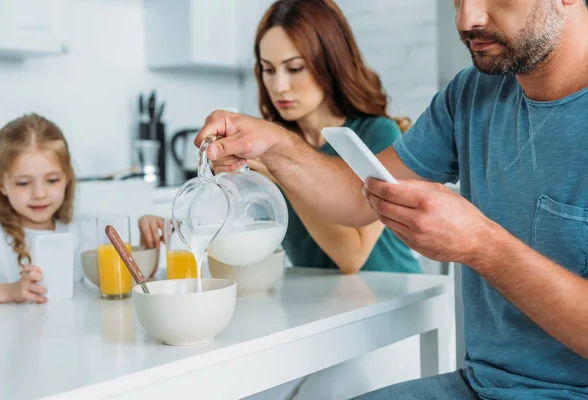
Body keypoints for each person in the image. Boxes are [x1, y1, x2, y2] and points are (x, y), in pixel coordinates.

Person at [195, 0, 588, 398]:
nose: (466, 19)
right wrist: (274, 144)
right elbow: (359, 196)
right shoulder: (471, 94)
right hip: (483, 387)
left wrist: (482, 245)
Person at [140, 0, 420, 276]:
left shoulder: (377, 134)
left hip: (391, 295)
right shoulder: (268, 140)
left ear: (331, 62)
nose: (279, 86)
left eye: (295, 68)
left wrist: (280, 166)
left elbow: (351, 258)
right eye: (268, 69)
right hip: (321, 302)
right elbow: (235, 221)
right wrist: (170, 226)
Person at [0, 114, 80, 304]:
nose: (39, 194)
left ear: (67, 177)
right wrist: (10, 291)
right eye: (23, 183)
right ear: (1, 184)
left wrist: (149, 235)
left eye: (52, 180)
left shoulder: (81, 230)